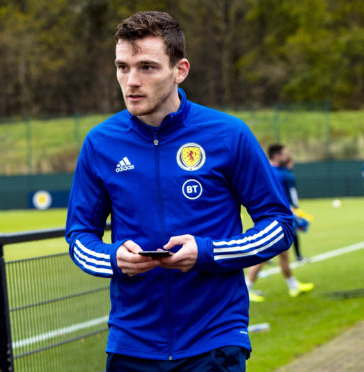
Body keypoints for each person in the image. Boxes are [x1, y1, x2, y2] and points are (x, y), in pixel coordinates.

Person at [65, 11, 295, 371]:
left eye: (147, 67)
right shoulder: (100, 144)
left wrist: (206, 252)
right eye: (122, 67)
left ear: (180, 70)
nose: (131, 81)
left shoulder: (228, 135)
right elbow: (79, 237)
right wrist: (113, 259)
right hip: (132, 345)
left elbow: (280, 225)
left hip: (214, 341)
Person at [245, 144, 314, 302]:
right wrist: (292, 212)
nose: (287, 155)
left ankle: (292, 286)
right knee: (266, 252)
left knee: (283, 253)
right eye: (284, 153)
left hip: (281, 216)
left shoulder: (277, 170)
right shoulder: (272, 172)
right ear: (276, 155)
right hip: (274, 218)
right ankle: (246, 287)